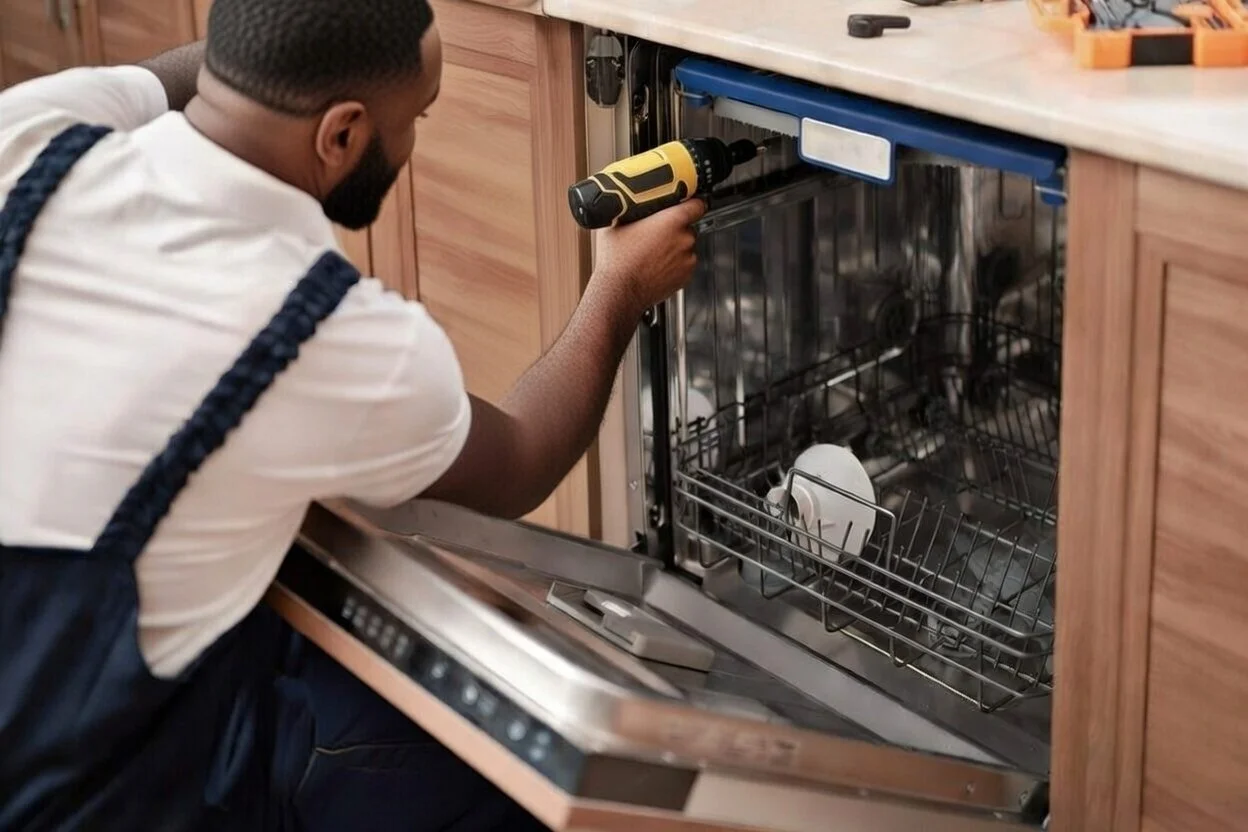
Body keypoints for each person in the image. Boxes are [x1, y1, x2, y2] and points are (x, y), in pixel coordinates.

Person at [0, 0, 705, 828]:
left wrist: (294, 36)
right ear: (340, 136)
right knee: (519, 796)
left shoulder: (30, 132)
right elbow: (521, 458)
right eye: (416, 119)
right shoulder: (325, 337)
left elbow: (179, 77)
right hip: (99, 797)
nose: (413, 142)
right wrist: (620, 286)